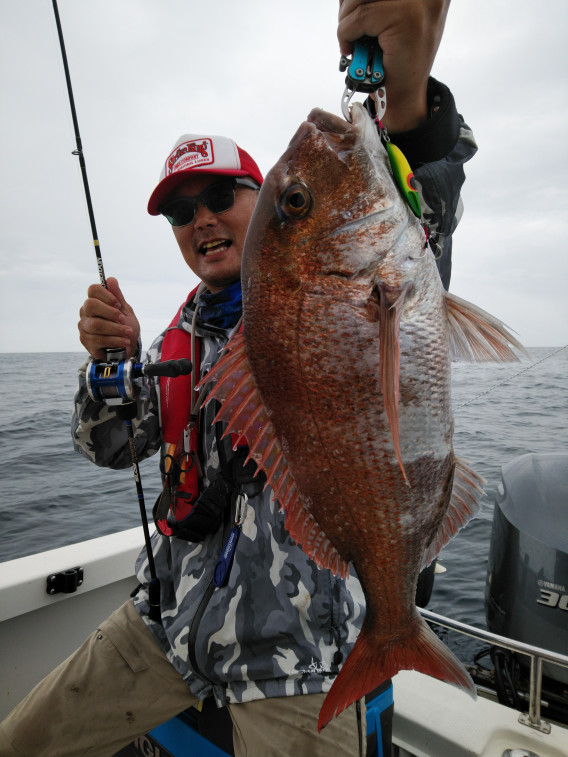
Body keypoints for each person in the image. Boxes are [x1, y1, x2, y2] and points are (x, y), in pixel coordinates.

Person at [0, 2, 477, 755]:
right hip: (166, 623)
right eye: (181, 211)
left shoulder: (357, 284)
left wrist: (410, 102)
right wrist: (108, 365)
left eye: (224, 196)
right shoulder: (175, 337)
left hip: (298, 656)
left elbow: (421, 214)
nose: (203, 219)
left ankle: (390, 634)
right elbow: (112, 447)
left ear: (260, 207)